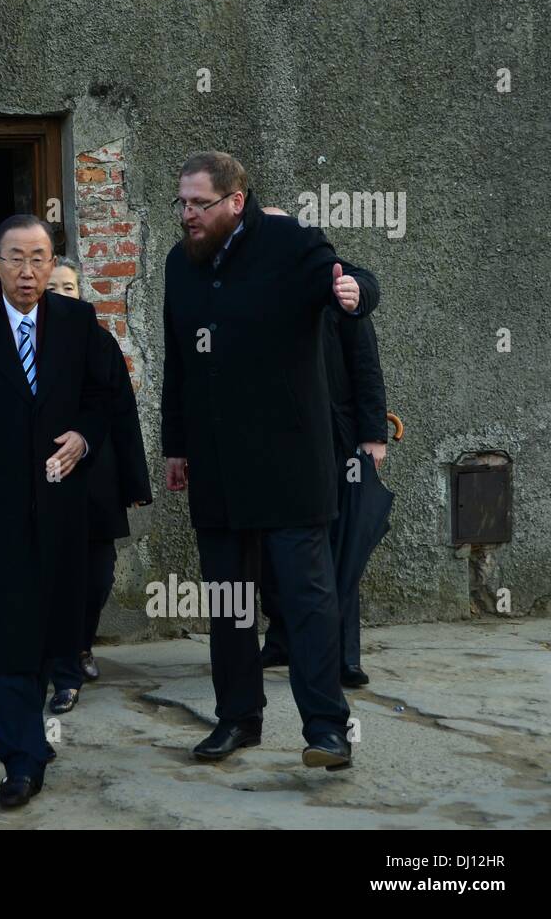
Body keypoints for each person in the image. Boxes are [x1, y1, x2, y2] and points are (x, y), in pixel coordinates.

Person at [161, 151, 379, 772]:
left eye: (199, 204)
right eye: (181, 203)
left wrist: (354, 290)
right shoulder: (183, 263)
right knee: (229, 599)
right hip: (218, 464)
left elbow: (354, 277)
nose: (187, 215)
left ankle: (327, 730)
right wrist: (176, 445)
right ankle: (237, 718)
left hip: (290, 461)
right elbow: (178, 360)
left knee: (307, 600)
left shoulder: (288, 242)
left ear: (235, 201)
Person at [0, 215, 117, 808]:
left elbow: (102, 396)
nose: (29, 270)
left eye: (40, 257)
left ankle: (28, 734)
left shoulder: (76, 321)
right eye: (16, 257)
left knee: (49, 631)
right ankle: (20, 760)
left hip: (60, 505)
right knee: (5, 630)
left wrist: (83, 437)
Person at [258, 207, 389, 687]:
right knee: (273, 549)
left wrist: (373, 436)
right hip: (271, 444)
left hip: (336, 441)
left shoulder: (336, 285)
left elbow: (365, 364)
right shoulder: (246, 284)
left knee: (340, 548)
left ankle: (345, 656)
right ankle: (282, 638)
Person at [44, 258, 152, 711]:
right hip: (46, 475)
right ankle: (59, 662)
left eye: (68, 287)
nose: (60, 294)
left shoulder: (100, 342)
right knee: (53, 575)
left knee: (98, 574)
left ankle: (83, 643)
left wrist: (134, 481)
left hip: (96, 477)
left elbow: (123, 413)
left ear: (80, 293)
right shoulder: (26, 342)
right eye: (53, 287)